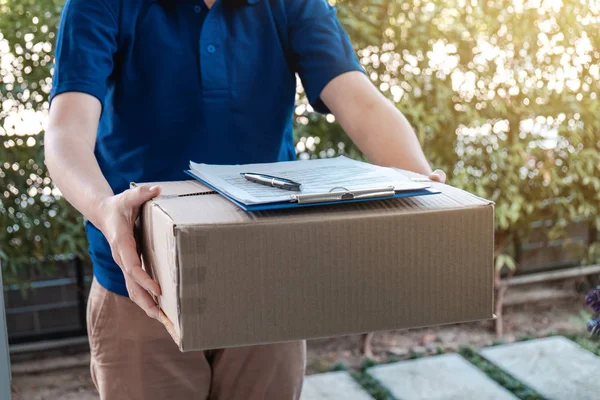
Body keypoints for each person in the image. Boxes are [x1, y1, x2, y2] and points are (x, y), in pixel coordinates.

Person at [44, 0, 446, 399]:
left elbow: (359, 100)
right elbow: (67, 131)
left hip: (266, 277)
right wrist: (103, 208)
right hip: (143, 286)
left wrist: (427, 190)